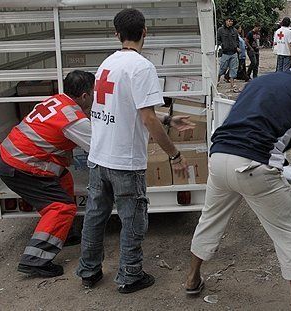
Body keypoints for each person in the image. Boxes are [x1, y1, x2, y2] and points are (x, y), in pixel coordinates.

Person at [184, 50, 291, 311]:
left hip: (220, 156)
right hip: (254, 165)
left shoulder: (260, 81)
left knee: (209, 220)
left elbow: (239, 120)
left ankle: (192, 278)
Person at [76, 8, 195, 294]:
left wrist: (168, 118)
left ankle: (89, 271)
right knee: (133, 219)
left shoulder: (107, 64)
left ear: (116, 34)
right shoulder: (142, 67)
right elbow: (147, 118)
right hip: (124, 161)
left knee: (95, 215)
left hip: (99, 156)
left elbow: (129, 108)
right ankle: (130, 275)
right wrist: (175, 155)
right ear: (145, 32)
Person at [0, 70, 95, 278]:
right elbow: (97, 148)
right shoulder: (72, 119)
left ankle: (62, 234)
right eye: (94, 93)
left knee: (64, 179)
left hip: (10, 158)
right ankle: (35, 260)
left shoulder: (57, 101)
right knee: (61, 207)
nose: (95, 97)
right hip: (20, 167)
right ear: (85, 96)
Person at [217, 18, 240, 92]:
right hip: (225, 52)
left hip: (233, 52)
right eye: (229, 21)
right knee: (222, 68)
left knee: (233, 68)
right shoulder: (220, 30)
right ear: (226, 21)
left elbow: (237, 40)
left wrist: (236, 46)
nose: (231, 22)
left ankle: (232, 84)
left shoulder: (234, 30)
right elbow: (217, 39)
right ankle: (217, 81)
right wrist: (221, 45)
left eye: (232, 21)